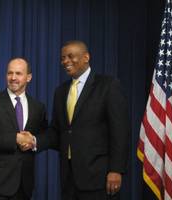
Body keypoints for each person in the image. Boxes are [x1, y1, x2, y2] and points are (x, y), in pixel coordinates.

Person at [37, 40, 130, 200]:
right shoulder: (60, 91)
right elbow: (57, 131)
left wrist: (116, 170)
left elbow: (120, 131)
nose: (65, 61)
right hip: (69, 178)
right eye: (63, 58)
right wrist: (34, 141)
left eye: (70, 56)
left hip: (99, 177)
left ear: (86, 57)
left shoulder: (108, 85)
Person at [0, 58, 48, 200]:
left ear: (29, 77)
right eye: (10, 73)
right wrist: (15, 138)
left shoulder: (38, 107)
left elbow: (46, 136)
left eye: (18, 73)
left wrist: (33, 142)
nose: (13, 77)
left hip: (23, 187)